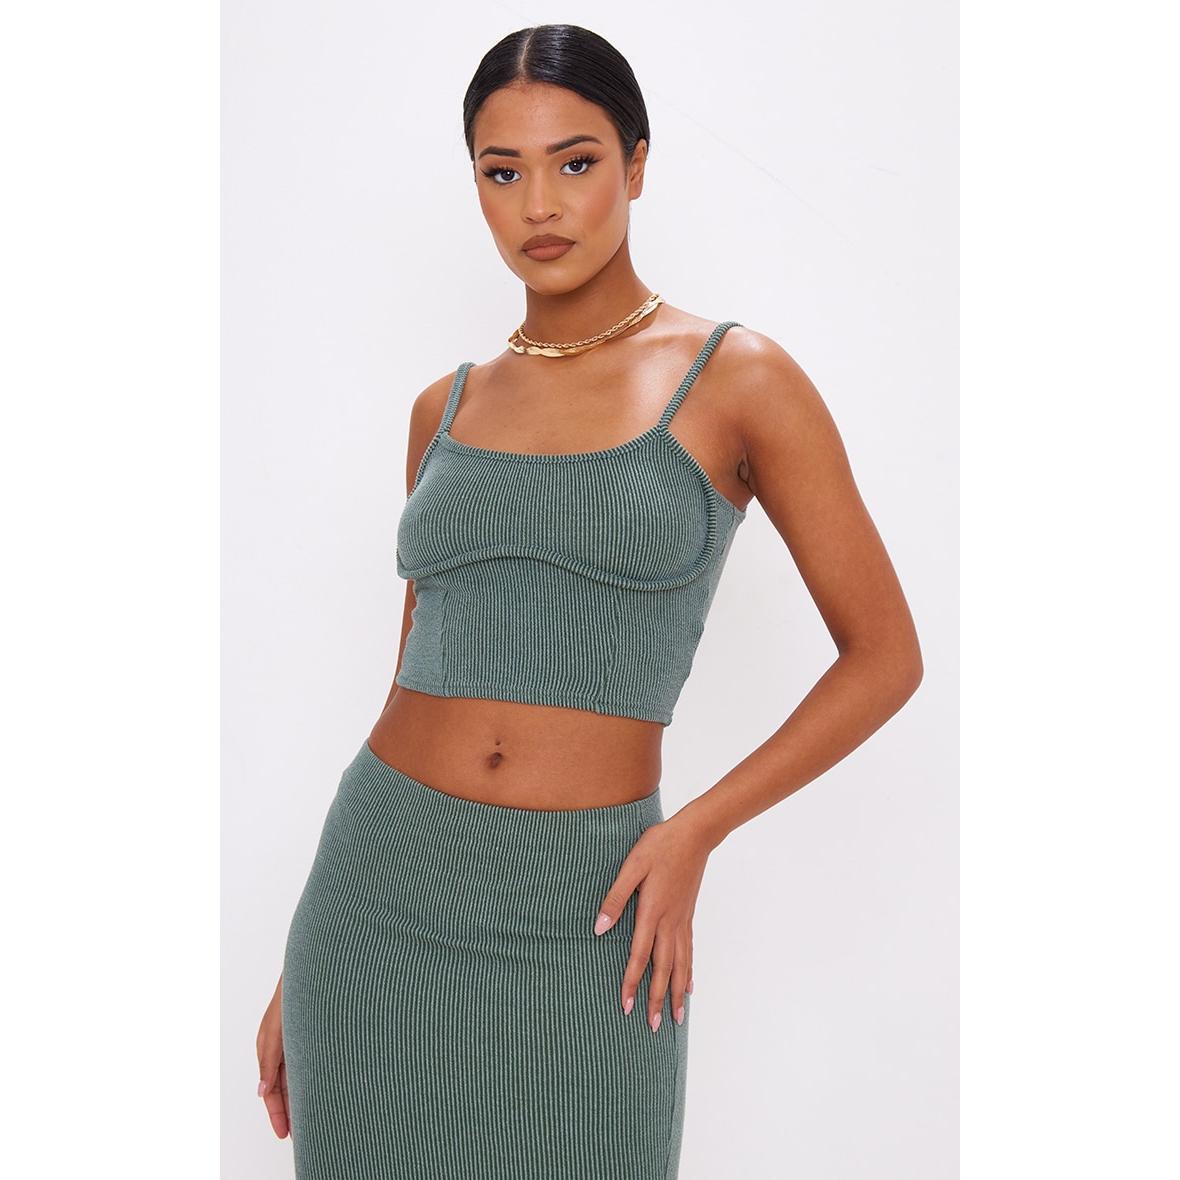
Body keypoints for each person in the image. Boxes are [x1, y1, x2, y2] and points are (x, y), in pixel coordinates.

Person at [255, 22, 922, 1180]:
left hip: (592, 908)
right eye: (500, 171)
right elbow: (417, 661)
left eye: (576, 161)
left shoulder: (737, 378)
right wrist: (301, 963)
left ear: (637, 163)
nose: (539, 205)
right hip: (376, 897)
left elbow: (885, 655)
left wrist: (695, 828)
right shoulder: (443, 408)